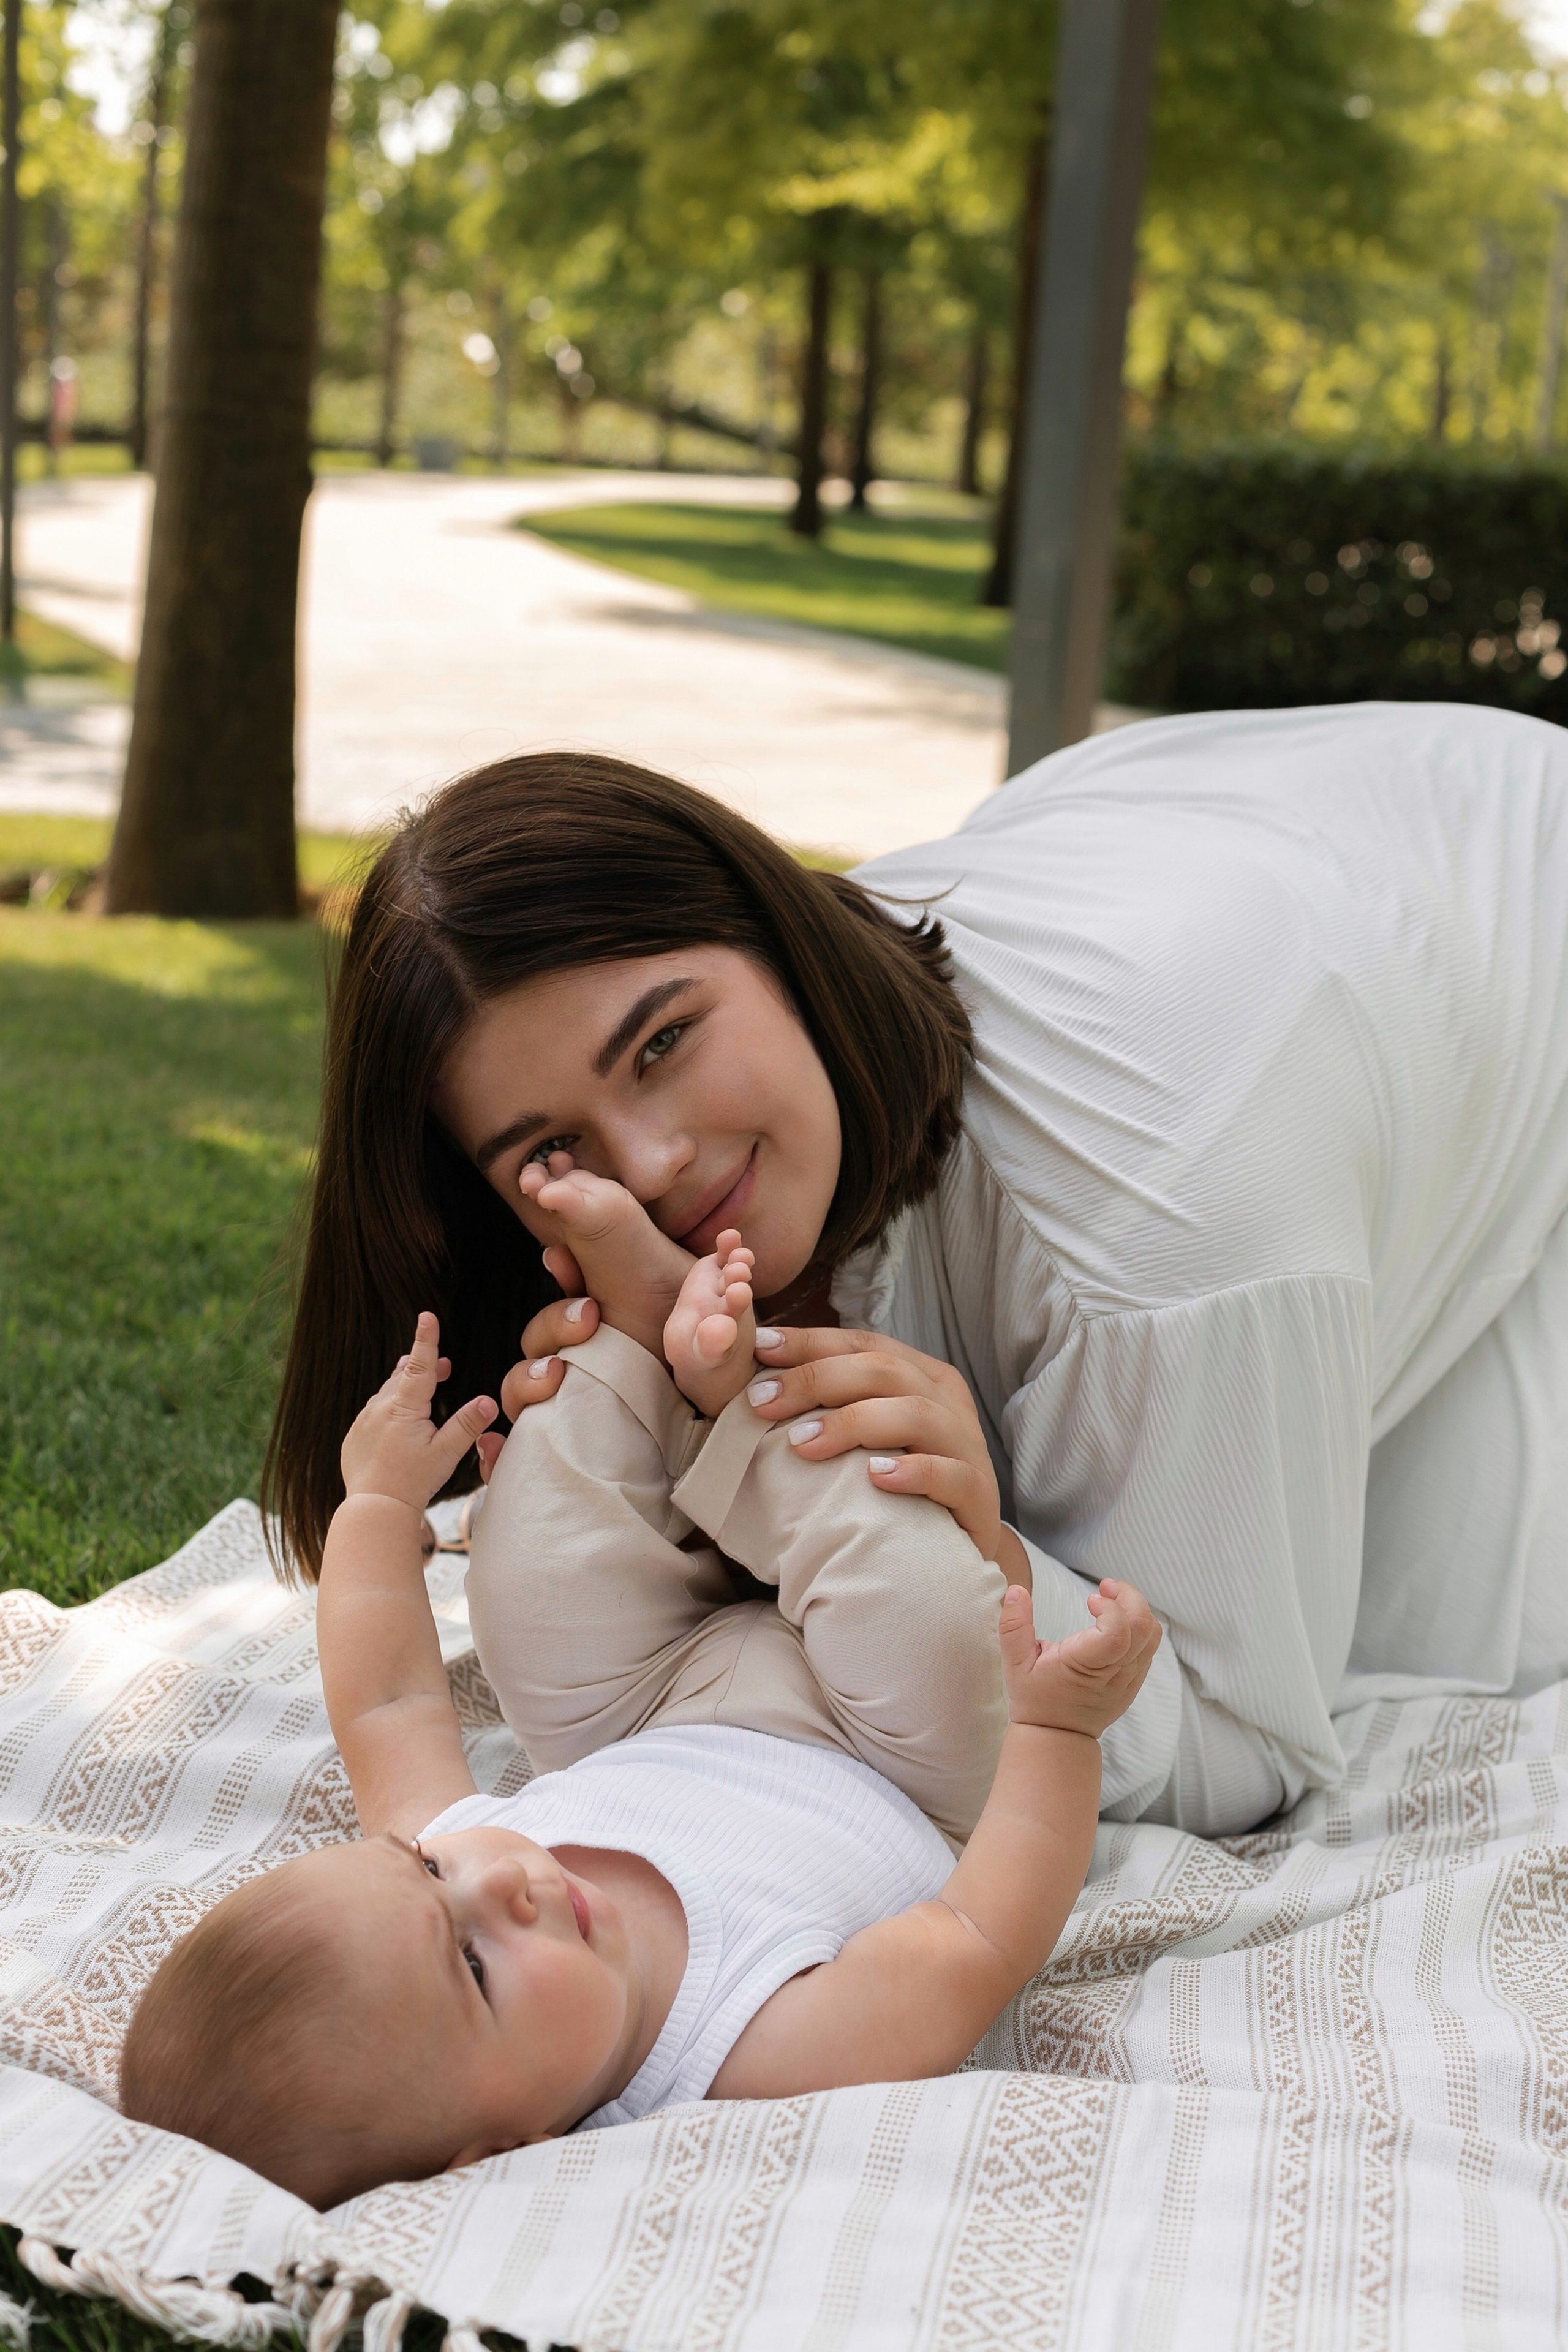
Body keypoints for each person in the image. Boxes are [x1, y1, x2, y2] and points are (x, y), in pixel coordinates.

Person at [265, 704, 1568, 1836]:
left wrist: (983, 1549)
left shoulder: (1154, 1234)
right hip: (1175, 833)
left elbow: (1249, 1741)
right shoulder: (729, 1111)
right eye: (553, 1151)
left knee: (1466, 1589)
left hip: (1498, 904)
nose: (651, 1165)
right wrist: (653, 1423)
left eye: (661, 1044)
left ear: (781, 934)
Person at [121, 1223, 1159, 2208]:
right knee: (925, 1616)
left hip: (648, 1702)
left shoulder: (463, 1851)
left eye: (429, 1871)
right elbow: (974, 1940)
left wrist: (379, 1507)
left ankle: (624, 1348)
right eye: (475, 1968)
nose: (496, 1882)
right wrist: (1059, 1733)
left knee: (532, 1578)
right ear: (498, 2155)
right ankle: (737, 1403)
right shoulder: (750, 2053)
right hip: (900, 1764)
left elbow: (388, 1703)